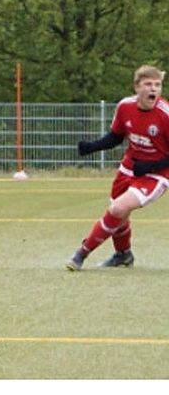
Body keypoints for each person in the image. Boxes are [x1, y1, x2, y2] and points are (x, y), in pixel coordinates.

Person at [67, 65, 169, 271]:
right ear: (136, 87)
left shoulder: (165, 114)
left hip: (156, 175)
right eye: (148, 84)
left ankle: (81, 253)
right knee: (118, 215)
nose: (153, 89)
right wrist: (91, 147)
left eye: (157, 85)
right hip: (128, 168)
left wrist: (151, 166)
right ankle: (123, 254)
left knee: (118, 208)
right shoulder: (125, 106)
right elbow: (116, 136)